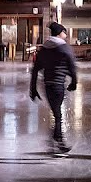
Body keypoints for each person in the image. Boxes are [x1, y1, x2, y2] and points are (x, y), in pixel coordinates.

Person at [30, 22, 78, 155]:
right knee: (58, 114)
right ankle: (57, 141)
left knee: (57, 113)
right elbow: (72, 67)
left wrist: (33, 89)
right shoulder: (64, 48)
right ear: (60, 33)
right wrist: (74, 82)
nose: (66, 35)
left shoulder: (44, 49)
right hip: (58, 85)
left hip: (48, 85)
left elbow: (35, 70)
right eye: (64, 32)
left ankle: (57, 140)